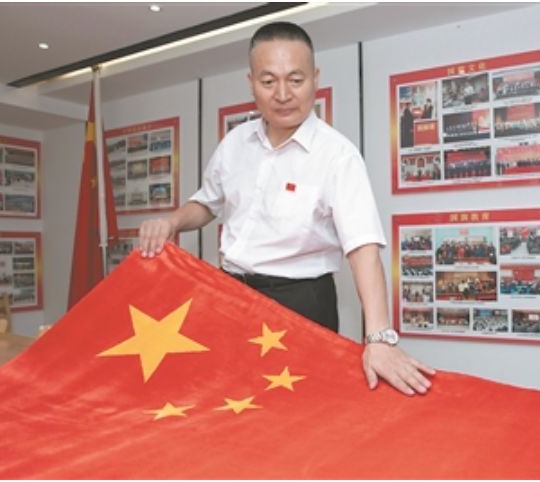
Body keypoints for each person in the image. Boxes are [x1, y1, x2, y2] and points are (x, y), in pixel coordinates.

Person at [139, 21, 435, 396]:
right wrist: (172, 221)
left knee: (298, 410)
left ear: (315, 79)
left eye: (295, 80)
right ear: (251, 83)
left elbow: (363, 248)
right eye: (268, 81)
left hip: (300, 303)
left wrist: (379, 337)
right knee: (226, 401)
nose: (282, 94)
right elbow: (207, 202)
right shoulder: (234, 144)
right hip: (229, 297)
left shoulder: (337, 156)